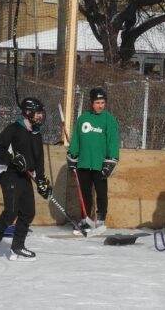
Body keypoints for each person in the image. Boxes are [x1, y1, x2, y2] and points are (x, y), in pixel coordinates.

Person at [0, 97, 52, 262]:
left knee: (28, 212)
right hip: (9, 174)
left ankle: (17, 247)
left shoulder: (36, 133)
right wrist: (12, 158)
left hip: (24, 176)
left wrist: (42, 180)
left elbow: (39, 160)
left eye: (41, 113)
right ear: (28, 112)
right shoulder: (13, 129)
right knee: (11, 212)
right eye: (37, 113)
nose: (40, 116)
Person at [66, 87, 119, 231]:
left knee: (101, 193)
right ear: (91, 103)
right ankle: (86, 219)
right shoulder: (83, 118)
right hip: (83, 162)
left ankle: (101, 220)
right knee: (84, 193)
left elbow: (113, 141)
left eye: (102, 102)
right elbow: (76, 139)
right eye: (97, 102)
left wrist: (111, 160)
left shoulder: (109, 119)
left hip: (100, 164)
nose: (100, 105)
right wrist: (72, 155)